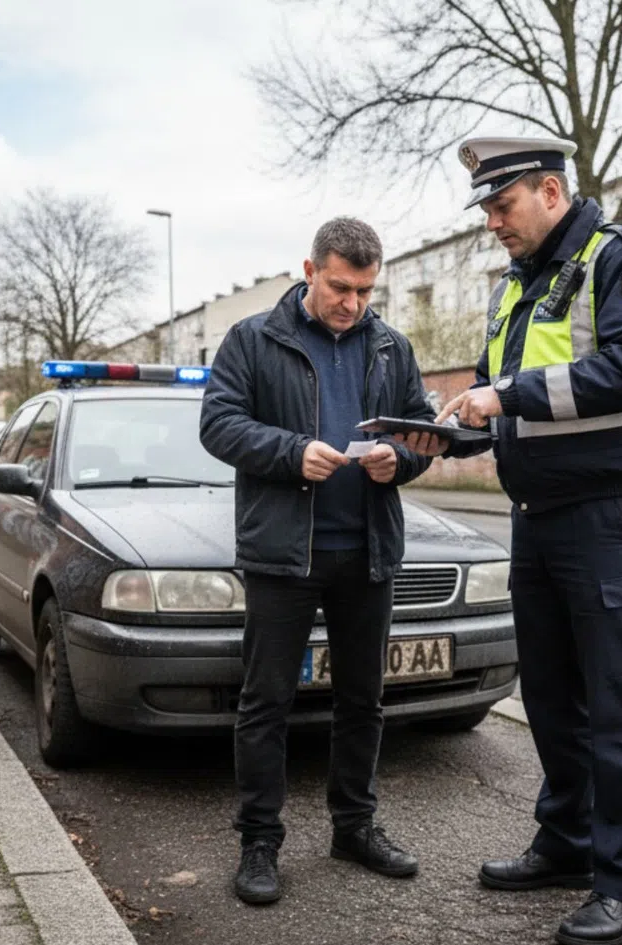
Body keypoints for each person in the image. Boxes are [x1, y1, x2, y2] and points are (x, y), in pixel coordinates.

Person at [423, 136, 622, 945]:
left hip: (610, 513)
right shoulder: (516, 287)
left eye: (502, 206)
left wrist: (502, 397)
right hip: (536, 514)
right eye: (486, 210)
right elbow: (497, 398)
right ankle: (568, 841)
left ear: (549, 190)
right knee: (550, 696)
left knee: (615, 702)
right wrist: (443, 435)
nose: (493, 223)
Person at [198, 217, 441, 906]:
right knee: (266, 701)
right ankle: (259, 841)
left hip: (366, 551)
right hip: (284, 553)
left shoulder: (391, 346)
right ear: (309, 271)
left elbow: (422, 430)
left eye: (365, 291)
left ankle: (354, 827)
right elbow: (218, 424)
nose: (352, 303)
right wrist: (291, 452)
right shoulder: (254, 338)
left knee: (363, 698)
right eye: (340, 287)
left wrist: (402, 460)